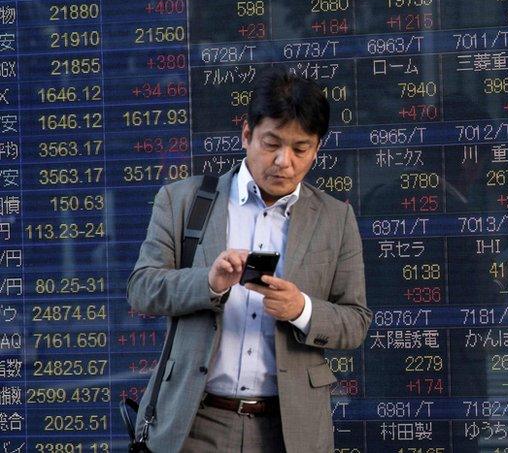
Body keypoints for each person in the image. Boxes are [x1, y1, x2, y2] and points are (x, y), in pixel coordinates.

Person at [127, 67, 372, 452]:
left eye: (300, 149)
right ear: (246, 135)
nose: (283, 162)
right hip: (194, 421)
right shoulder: (184, 201)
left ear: (317, 149)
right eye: (271, 144)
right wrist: (209, 283)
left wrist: (301, 309)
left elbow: (356, 322)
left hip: (289, 430)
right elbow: (141, 289)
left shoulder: (334, 218)